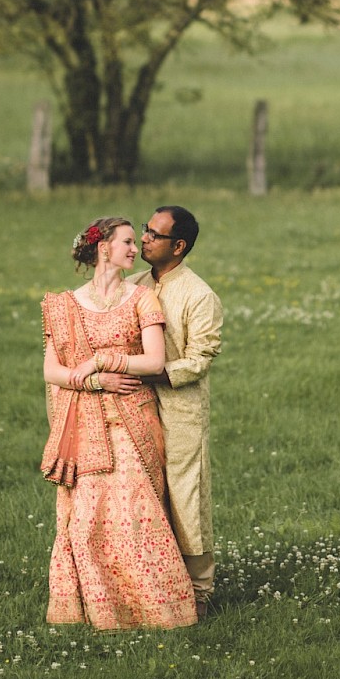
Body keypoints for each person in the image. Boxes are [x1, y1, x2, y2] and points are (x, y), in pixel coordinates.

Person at [41, 216, 197, 631]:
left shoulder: (142, 299)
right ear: (102, 247)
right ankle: (104, 612)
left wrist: (104, 358)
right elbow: (53, 372)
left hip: (133, 421)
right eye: (127, 241)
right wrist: (97, 379)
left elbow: (154, 362)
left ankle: (160, 612)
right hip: (86, 424)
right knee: (89, 519)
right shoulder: (65, 304)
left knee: (135, 515)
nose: (136, 248)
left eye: (136, 241)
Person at [132, 204, 223, 620]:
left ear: (179, 246)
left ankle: (199, 593)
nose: (144, 238)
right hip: (132, 407)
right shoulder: (132, 286)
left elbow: (201, 357)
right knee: (141, 495)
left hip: (180, 411)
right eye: (145, 230)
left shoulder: (199, 295)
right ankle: (149, 585)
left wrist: (153, 374)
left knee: (186, 498)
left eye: (154, 234)